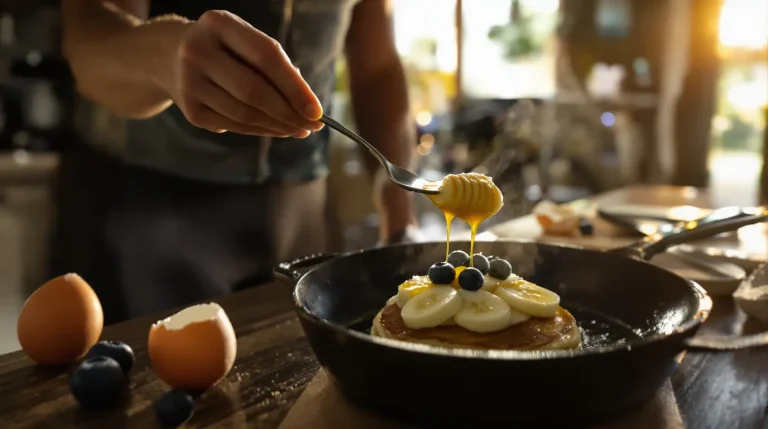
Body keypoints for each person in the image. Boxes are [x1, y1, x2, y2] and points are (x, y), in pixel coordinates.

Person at [56, 0, 417, 324]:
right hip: (151, 211)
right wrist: (164, 51)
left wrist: (400, 213)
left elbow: (377, 66)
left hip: (303, 219)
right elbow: (87, 32)